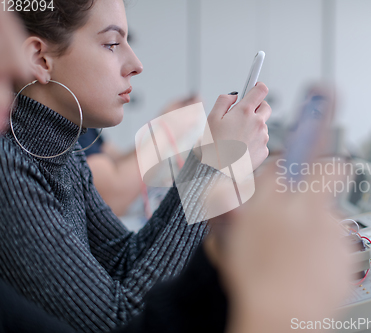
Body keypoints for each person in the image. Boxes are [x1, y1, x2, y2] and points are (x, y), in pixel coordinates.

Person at [0, 0, 270, 331]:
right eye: (112, 44)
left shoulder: (65, 154)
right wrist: (215, 166)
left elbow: (123, 261)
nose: (136, 64)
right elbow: (122, 322)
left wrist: (207, 158)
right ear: (41, 60)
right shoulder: (9, 168)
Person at [78, 95, 201, 217]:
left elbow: (118, 163)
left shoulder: (85, 125)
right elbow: (111, 198)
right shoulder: (71, 126)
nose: (136, 73)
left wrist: (162, 124)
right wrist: (167, 129)